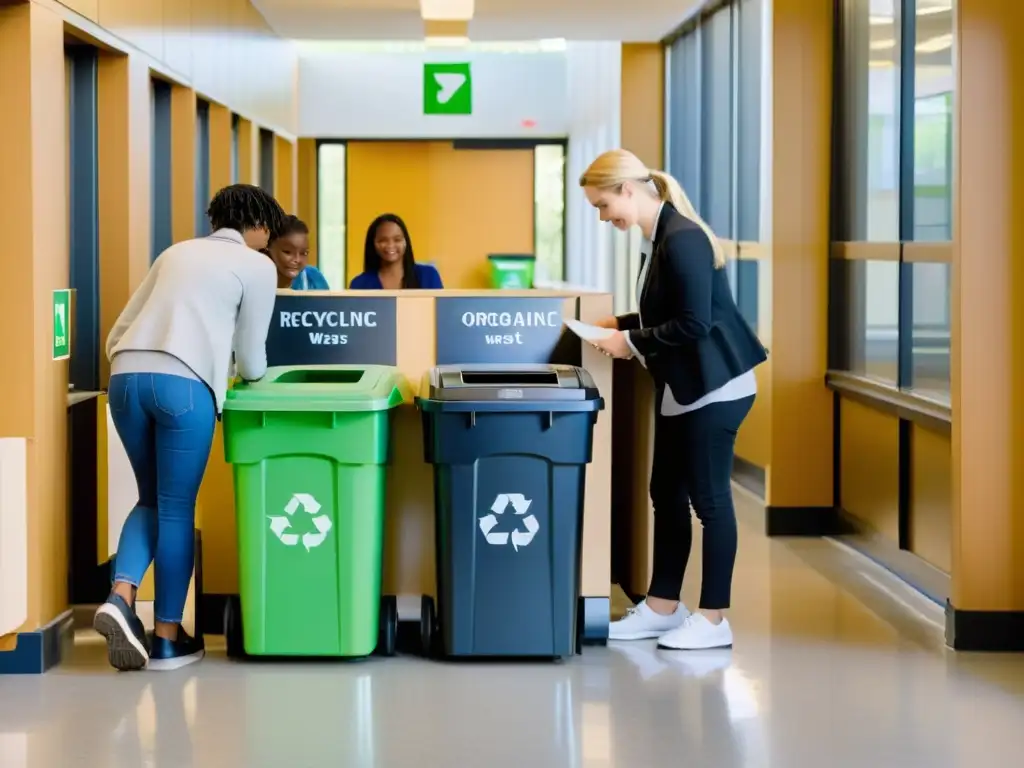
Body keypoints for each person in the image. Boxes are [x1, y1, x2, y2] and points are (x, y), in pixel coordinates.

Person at [580, 149, 767, 651]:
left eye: (602, 205)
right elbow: (672, 310)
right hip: (685, 388)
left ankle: (713, 619)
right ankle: (663, 607)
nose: (604, 217)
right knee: (666, 493)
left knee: (709, 501)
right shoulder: (662, 236)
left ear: (626, 190)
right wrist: (621, 324)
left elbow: (695, 324)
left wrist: (631, 343)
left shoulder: (681, 238)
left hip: (715, 387)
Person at [94, 184, 285, 671]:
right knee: (177, 509)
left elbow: (118, 331)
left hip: (125, 378)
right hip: (185, 386)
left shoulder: (175, 252)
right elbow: (255, 359)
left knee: (150, 499)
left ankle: (120, 595)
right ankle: (167, 638)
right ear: (259, 225)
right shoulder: (258, 265)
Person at [349, 213, 443, 289]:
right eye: (383, 240)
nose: (390, 245)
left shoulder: (429, 275)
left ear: (406, 242)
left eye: (397, 240)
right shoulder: (359, 284)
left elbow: (442, 311)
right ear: (373, 244)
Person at [264, 215, 329, 290]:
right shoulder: (253, 279)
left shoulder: (313, 278)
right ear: (268, 248)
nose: (297, 260)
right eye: (287, 252)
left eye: (304, 253)